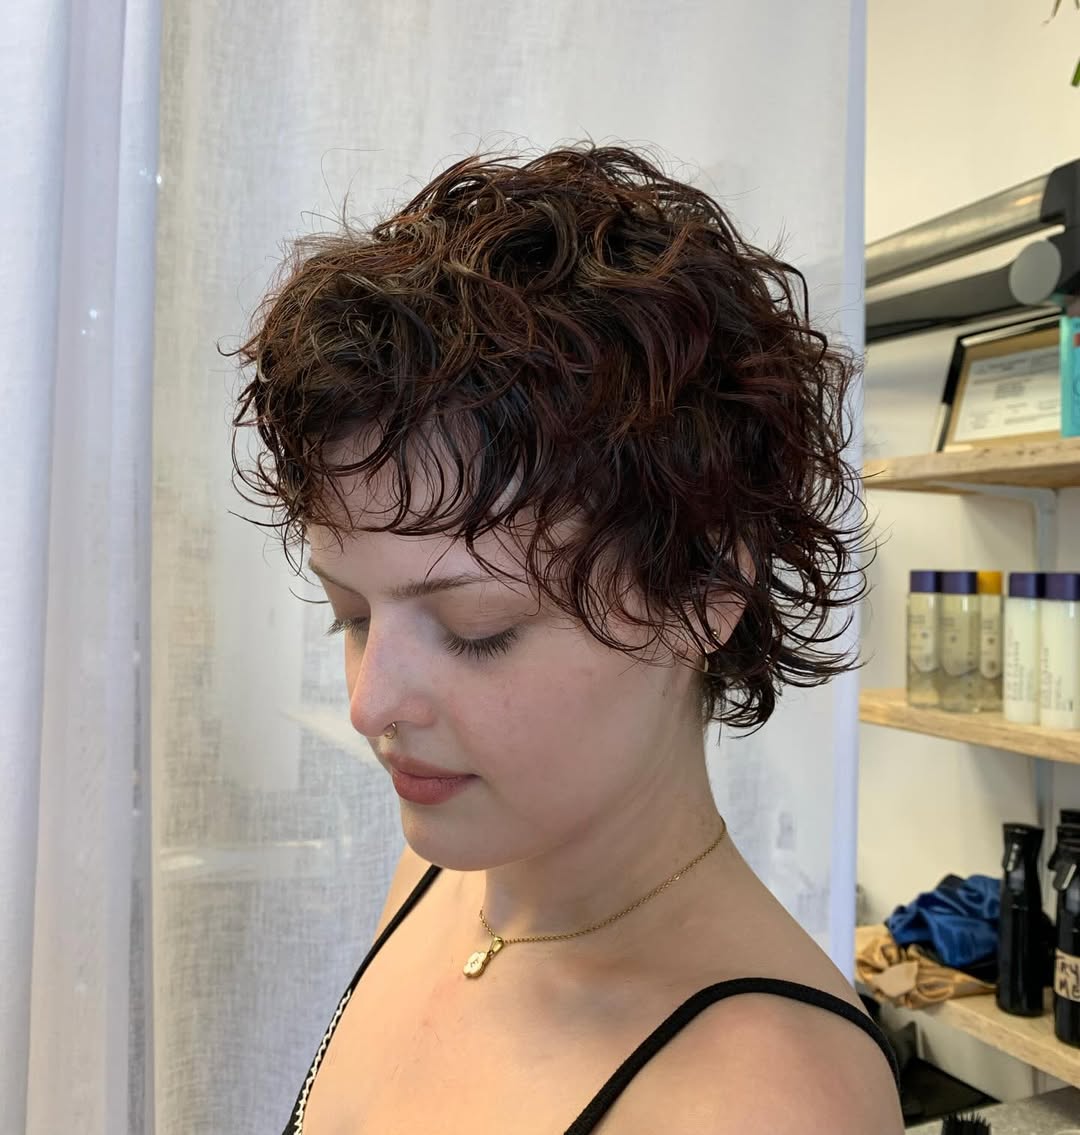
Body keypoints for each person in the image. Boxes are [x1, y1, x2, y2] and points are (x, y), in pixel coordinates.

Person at [230, 141, 904, 1134]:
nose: (369, 705)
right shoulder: (447, 871)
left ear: (705, 591)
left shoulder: (764, 1103)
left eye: (476, 630)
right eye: (353, 614)